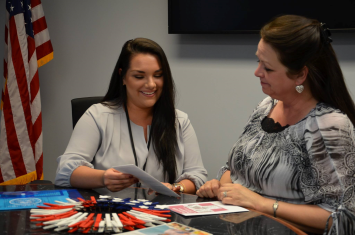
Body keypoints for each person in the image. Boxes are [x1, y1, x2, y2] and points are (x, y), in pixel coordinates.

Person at [196, 15, 355, 235]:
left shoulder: (328, 126)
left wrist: (263, 205)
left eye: (268, 68)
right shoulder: (266, 106)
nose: (257, 72)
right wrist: (221, 185)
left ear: (300, 75)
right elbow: (233, 167)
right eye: (258, 61)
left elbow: (343, 217)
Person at [55, 38, 207, 194]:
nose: (151, 84)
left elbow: (198, 175)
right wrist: (103, 178)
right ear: (123, 76)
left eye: (158, 75)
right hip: (110, 215)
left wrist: (177, 188)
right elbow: (65, 172)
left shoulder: (179, 121)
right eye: (139, 76)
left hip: (164, 215)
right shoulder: (97, 116)